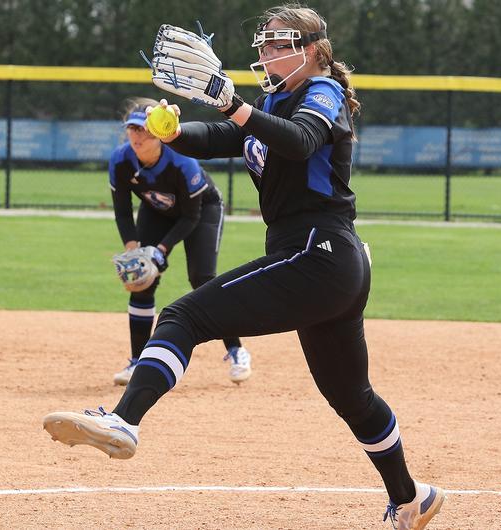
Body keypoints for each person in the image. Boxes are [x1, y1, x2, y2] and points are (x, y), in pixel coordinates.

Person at [44, 6, 443, 529]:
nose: (264, 54)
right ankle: (412, 498)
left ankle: (124, 419)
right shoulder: (274, 100)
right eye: (262, 45)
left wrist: (233, 104)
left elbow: (299, 140)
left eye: (277, 44)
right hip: (325, 263)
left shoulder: (321, 91)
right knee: (352, 398)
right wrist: (172, 131)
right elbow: (220, 139)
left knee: (183, 317)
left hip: (316, 252)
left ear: (313, 50)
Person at [107, 97, 252, 385]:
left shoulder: (181, 161)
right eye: (133, 130)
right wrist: (133, 249)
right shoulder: (121, 160)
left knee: (202, 277)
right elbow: (123, 212)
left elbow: (190, 216)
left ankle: (236, 350)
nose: (138, 137)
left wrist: (161, 251)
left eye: (146, 131)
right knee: (142, 279)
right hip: (156, 210)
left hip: (202, 210)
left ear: (160, 134)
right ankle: (137, 361)